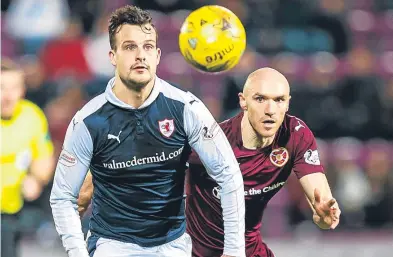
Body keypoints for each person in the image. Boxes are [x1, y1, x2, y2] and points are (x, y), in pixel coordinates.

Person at [50, 5, 245, 257]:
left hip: (171, 246)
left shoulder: (186, 109)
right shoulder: (88, 121)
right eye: (130, 47)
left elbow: (228, 174)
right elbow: (63, 196)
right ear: (112, 56)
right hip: (112, 245)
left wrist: (234, 251)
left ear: (158, 55)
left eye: (148, 47)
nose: (141, 55)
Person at [186, 67, 341, 257]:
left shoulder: (295, 135)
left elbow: (322, 207)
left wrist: (323, 218)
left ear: (288, 104)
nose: (270, 110)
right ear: (243, 101)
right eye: (260, 99)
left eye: (279, 100)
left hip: (250, 251)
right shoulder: (211, 143)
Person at [1, 58, 55, 257]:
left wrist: (37, 179)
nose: (8, 96)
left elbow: (44, 156)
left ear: (22, 90)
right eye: (1, 88)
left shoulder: (32, 116)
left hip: (11, 209)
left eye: (14, 87)